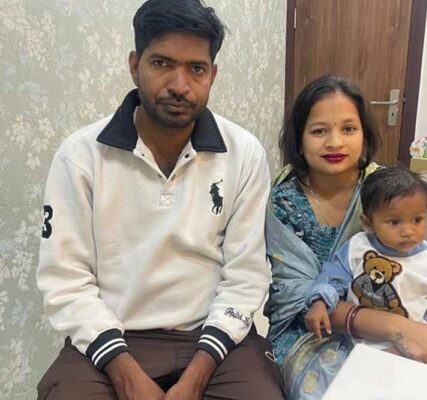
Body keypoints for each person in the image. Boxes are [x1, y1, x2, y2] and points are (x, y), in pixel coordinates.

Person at [36, 1, 283, 399]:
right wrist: (125, 374)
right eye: (162, 63)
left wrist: (196, 377)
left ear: (212, 74)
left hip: (214, 340)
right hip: (114, 338)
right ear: (135, 66)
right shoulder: (80, 156)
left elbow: (246, 275)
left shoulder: (244, 153)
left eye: (196, 69)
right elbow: (66, 280)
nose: (179, 85)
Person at [264, 75, 427, 399]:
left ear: (365, 135)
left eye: (348, 129)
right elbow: (297, 298)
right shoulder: (285, 202)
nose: (335, 142)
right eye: (319, 131)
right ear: (299, 139)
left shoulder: (393, 192)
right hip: (314, 332)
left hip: (411, 315)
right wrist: (397, 329)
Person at [305, 165, 427, 385]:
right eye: (394, 222)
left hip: (412, 351)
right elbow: (332, 276)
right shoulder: (357, 246)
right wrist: (320, 302)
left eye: (417, 220)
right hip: (356, 344)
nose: (408, 231)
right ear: (368, 223)